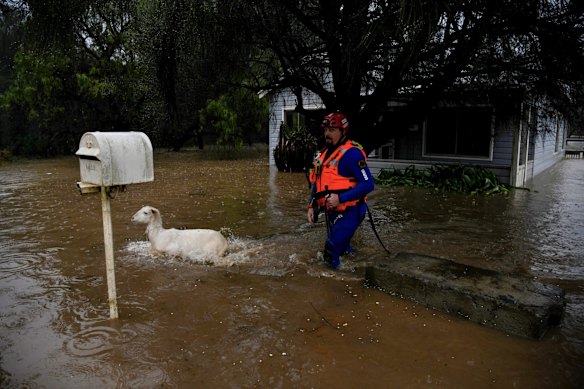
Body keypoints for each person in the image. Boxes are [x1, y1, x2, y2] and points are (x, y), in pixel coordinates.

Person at [307, 112, 375, 269]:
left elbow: (368, 184)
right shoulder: (324, 154)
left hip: (351, 211)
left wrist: (340, 198)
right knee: (343, 249)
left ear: (343, 131)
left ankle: (332, 288)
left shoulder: (352, 154)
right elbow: (316, 182)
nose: (327, 134)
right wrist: (311, 206)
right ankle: (363, 268)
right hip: (332, 211)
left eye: (332, 130)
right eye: (325, 130)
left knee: (331, 249)